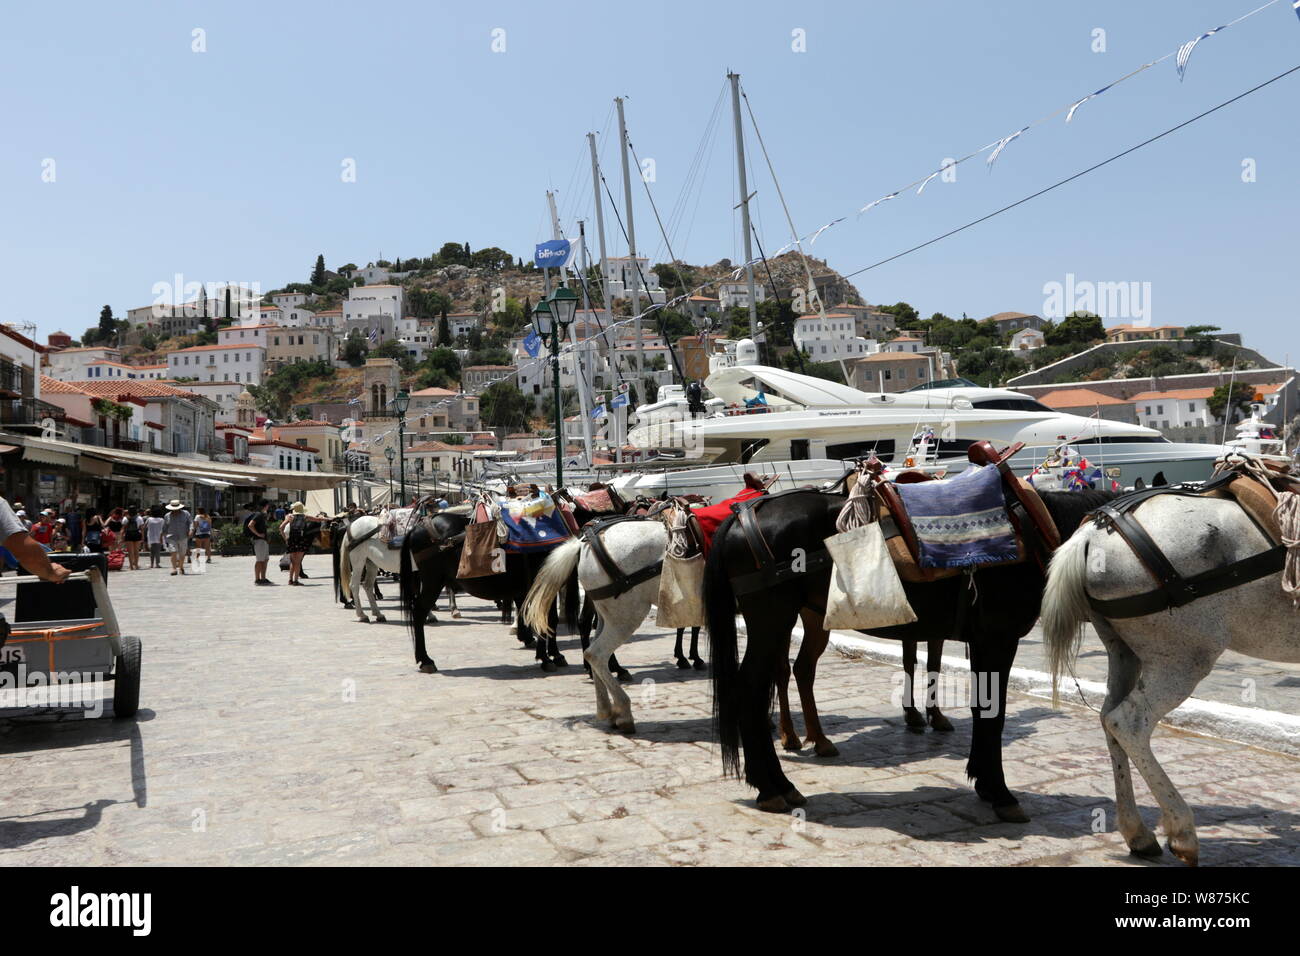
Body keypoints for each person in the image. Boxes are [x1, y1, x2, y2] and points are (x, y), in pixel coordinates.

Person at [0, 496, 70, 587]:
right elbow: (21, 544)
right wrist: (49, 572)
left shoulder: (47, 525)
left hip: (42, 547)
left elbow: (49, 536)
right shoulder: (35, 525)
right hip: (33, 549)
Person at [279, 501, 317, 586]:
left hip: (291, 540)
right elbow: (317, 519)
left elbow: (281, 527)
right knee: (298, 562)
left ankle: (290, 580)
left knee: (293, 562)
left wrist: (285, 539)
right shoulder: (304, 517)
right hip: (300, 540)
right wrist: (329, 519)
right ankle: (296, 581)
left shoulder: (289, 516)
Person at [246, 499, 274, 586]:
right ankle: (257, 579)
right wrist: (258, 534)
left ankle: (263, 578)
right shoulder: (258, 514)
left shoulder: (262, 515)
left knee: (265, 559)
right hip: (259, 540)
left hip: (263, 540)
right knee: (260, 560)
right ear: (265, 506)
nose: (268, 507)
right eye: (268, 505)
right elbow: (250, 525)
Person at [162, 499, 192, 576]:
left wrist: (191, 530)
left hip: (183, 536)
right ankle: (174, 569)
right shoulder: (167, 516)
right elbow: (165, 527)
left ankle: (181, 567)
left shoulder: (186, 514)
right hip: (171, 537)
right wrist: (163, 536)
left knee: (182, 553)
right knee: (173, 552)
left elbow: (190, 522)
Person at [123, 505, 143, 570]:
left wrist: (121, 537)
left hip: (128, 534)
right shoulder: (139, 518)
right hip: (137, 534)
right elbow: (141, 528)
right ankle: (136, 565)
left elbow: (123, 528)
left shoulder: (125, 518)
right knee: (136, 551)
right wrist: (142, 537)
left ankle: (131, 566)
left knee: (130, 552)